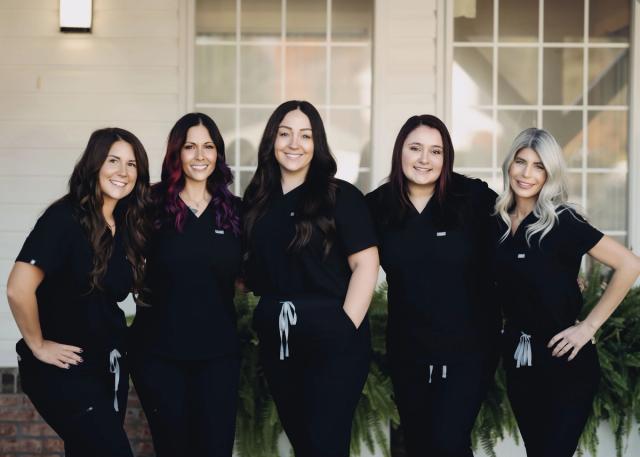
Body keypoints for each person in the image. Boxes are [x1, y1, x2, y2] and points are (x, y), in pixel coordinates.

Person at [243, 100, 379, 457]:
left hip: (334, 338)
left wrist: (343, 328)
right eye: (285, 133)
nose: (294, 143)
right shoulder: (258, 201)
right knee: (304, 443)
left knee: (325, 445)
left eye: (305, 135)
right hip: (280, 341)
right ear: (272, 139)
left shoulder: (340, 196)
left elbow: (366, 264)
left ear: (317, 143)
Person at [494, 128, 640, 457]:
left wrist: (588, 327)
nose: (526, 173)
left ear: (550, 174)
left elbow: (630, 265)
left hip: (566, 363)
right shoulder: (497, 223)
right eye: (521, 162)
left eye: (538, 166)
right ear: (509, 165)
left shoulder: (562, 221)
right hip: (520, 360)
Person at [6, 128, 151, 457]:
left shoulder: (124, 224)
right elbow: (18, 289)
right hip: (64, 371)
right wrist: (38, 345)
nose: (123, 172)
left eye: (132, 164)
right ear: (94, 164)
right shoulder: (63, 219)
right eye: (113, 160)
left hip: (106, 366)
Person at [366, 114, 500, 456]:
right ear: (400, 153)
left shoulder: (473, 198)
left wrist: (559, 270)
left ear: (447, 158)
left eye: (435, 151)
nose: (425, 159)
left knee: (448, 442)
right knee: (420, 444)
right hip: (408, 348)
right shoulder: (376, 207)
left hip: (468, 349)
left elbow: (522, 233)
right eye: (415, 148)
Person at [129, 113, 242, 457]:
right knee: (172, 449)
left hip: (218, 355)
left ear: (218, 155)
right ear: (176, 153)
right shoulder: (149, 205)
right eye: (190, 146)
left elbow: (250, 276)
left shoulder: (235, 212)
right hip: (159, 354)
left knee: (215, 449)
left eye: (208, 146)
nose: (199, 155)